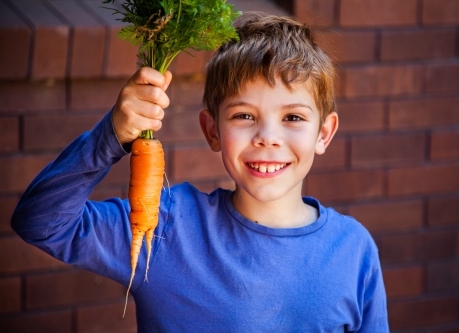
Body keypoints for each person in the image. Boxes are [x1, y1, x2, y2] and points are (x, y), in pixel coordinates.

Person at [11, 12, 389, 332]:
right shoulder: (165, 227)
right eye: (244, 116)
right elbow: (40, 222)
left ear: (324, 133)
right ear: (212, 130)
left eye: (292, 117)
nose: (267, 138)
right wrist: (110, 135)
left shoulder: (354, 249)